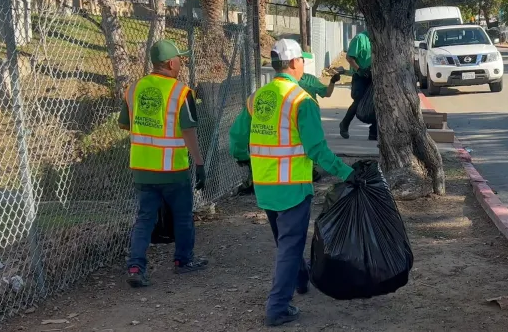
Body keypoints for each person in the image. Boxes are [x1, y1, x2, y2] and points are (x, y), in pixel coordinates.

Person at [229, 39, 356, 327]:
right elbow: (317, 150)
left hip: (265, 185)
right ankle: (278, 307)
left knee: (286, 241)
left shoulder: (258, 97)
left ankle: (300, 280)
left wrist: (242, 159)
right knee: (289, 245)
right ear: (296, 63)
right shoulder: (301, 101)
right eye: (303, 61)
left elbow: (237, 137)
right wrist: (346, 172)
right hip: (293, 187)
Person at [118, 39, 209, 288]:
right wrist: (199, 164)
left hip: (142, 169)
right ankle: (183, 261)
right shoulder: (181, 92)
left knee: (145, 218)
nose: (181, 63)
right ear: (170, 63)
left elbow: (125, 123)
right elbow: (188, 131)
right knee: (182, 216)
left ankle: (136, 266)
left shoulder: (133, 88)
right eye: (179, 59)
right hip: (172, 170)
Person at [339, 29, 377, 141]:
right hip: (360, 75)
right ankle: (344, 124)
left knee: (377, 102)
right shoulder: (360, 38)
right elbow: (349, 57)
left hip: (374, 77)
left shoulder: (380, 38)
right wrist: (359, 69)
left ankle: (374, 132)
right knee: (359, 100)